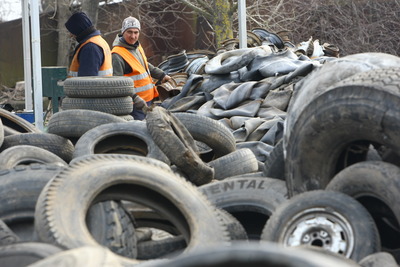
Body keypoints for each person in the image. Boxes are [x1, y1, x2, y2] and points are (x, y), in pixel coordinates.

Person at [112, 16, 171, 120]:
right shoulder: (117, 55)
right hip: (135, 105)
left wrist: (162, 75)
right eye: (129, 32)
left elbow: (144, 65)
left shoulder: (136, 46)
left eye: (136, 32)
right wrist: (135, 98)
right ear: (123, 32)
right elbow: (117, 83)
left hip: (148, 100)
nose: (133, 36)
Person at [65, 12, 112, 77]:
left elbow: (87, 82)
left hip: (92, 87)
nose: (71, 35)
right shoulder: (99, 41)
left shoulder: (90, 47)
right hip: (102, 86)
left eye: (72, 32)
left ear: (78, 29)